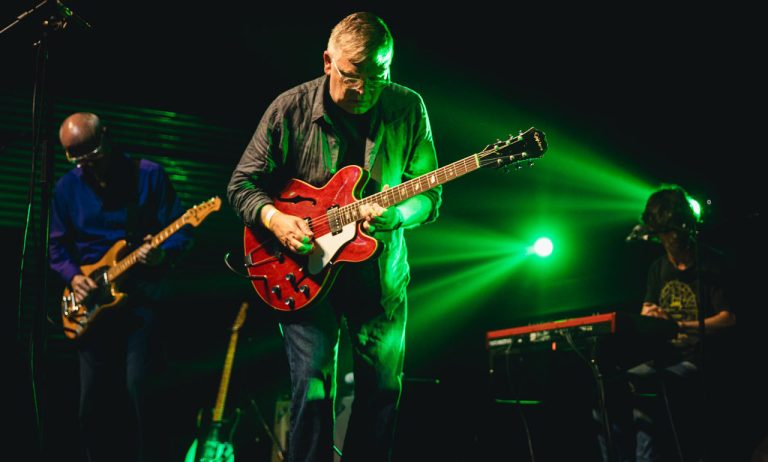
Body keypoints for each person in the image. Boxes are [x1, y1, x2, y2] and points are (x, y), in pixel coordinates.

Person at [227, 12, 441, 462]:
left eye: (378, 77)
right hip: (303, 273)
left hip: (378, 277)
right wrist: (276, 220)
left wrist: (398, 215)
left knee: (383, 391)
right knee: (313, 389)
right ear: (328, 62)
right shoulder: (290, 108)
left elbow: (428, 195)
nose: (364, 89)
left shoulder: (408, 107)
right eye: (352, 76)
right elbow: (241, 184)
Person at [49, 112, 194, 462]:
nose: (86, 164)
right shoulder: (66, 187)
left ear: (107, 137)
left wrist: (161, 255)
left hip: (141, 299)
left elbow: (183, 229)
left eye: (91, 154)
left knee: (141, 390)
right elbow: (56, 246)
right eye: (76, 158)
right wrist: (74, 277)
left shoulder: (149, 175)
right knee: (92, 404)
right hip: (92, 306)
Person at [596, 184, 737, 462]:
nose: (666, 241)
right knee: (605, 393)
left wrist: (678, 326)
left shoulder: (712, 264)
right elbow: (647, 313)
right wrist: (652, 318)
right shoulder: (658, 268)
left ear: (683, 228)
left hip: (698, 358)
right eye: (661, 235)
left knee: (646, 393)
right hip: (663, 356)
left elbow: (729, 319)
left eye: (669, 234)